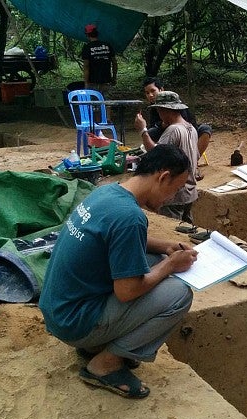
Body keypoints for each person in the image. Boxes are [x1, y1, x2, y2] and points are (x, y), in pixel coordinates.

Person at [39, 144, 198, 399]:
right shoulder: (130, 216)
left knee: (153, 256)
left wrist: (165, 247)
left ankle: (96, 345)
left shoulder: (108, 193)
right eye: (175, 189)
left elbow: (113, 238)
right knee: (179, 294)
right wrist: (170, 265)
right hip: (74, 322)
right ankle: (105, 364)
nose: (173, 198)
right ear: (163, 177)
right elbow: (127, 292)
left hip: (60, 309)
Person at [134, 91, 199, 223]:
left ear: (165, 110)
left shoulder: (173, 130)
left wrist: (143, 131)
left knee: (172, 232)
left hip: (174, 193)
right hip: (189, 192)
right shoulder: (191, 128)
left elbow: (156, 154)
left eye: (159, 110)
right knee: (187, 231)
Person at [142, 77, 212, 163]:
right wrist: (161, 125)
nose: (150, 95)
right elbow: (154, 127)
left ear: (161, 89)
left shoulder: (178, 117)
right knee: (151, 132)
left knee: (205, 128)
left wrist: (143, 130)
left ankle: (193, 161)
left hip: (185, 134)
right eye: (147, 93)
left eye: (153, 91)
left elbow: (186, 125)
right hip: (166, 133)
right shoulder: (153, 109)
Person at [81, 24, 117, 93]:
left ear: (87, 35)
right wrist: (114, 78)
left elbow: (86, 67)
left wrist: (86, 83)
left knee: (94, 102)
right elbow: (114, 63)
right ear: (97, 34)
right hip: (106, 80)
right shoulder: (107, 45)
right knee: (105, 102)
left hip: (92, 82)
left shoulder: (87, 48)